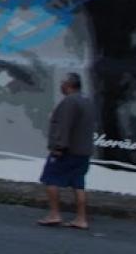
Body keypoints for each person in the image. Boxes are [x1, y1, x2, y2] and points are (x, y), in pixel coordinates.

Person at [39, 72, 97, 229]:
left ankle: (54, 214)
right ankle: (81, 218)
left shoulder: (69, 102)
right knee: (78, 184)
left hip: (67, 150)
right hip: (83, 151)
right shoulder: (87, 101)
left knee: (50, 178)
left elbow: (64, 126)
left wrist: (58, 147)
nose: (61, 86)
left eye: (63, 83)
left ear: (68, 85)